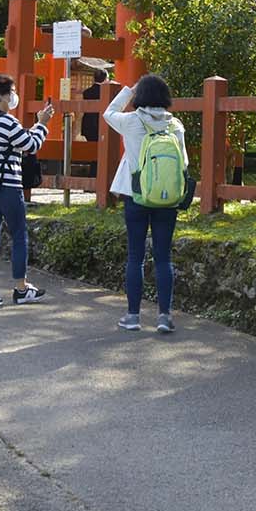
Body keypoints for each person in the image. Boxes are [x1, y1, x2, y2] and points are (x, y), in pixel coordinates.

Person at [104, 73, 187, 334]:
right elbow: (183, 163)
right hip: (167, 199)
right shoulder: (176, 126)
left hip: (136, 195)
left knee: (135, 257)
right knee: (163, 258)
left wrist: (129, 90)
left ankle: (133, 316)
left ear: (140, 96)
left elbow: (109, 112)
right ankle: (164, 316)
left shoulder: (132, 121)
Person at [0, 73, 53, 310]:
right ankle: (21, 288)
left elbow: (16, 142)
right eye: (12, 91)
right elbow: (31, 145)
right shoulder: (7, 121)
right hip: (8, 186)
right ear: (2, 95)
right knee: (19, 236)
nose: (14, 95)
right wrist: (42, 124)